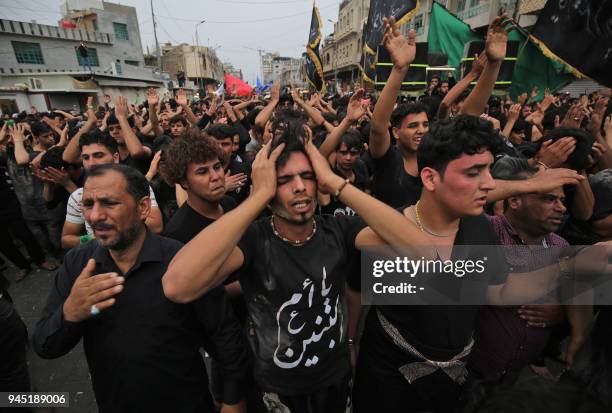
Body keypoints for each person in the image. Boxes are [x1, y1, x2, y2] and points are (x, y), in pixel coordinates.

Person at [161, 117, 434, 412]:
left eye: (307, 176)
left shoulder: (338, 231)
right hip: (277, 391)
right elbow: (177, 286)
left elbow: (423, 253)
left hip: (335, 380)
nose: (300, 187)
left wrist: (334, 182)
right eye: (284, 180)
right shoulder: (255, 240)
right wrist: (257, 197)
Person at [33, 164, 248, 413]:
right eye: (89, 204)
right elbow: (44, 346)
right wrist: (70, 312)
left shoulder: (180, 262)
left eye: (109, 203)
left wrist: (233, 402)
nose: (94, 217)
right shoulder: (79, 264)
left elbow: (226, 340)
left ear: (143, 207)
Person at [61, 133, 163, 249]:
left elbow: (156, 226)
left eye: (98, 156)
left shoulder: (135, 185)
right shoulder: (78, 196)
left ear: (115, 158)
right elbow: (66, 240)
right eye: (86, 158)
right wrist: (91, 238)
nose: (91, 163)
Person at [367, 23, 429, 208]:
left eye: (425, 124)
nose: (421, 130)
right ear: (395, 132)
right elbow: (378, 127)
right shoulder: (388, 159)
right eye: (412, 126)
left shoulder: (435, 158)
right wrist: (399, 69)